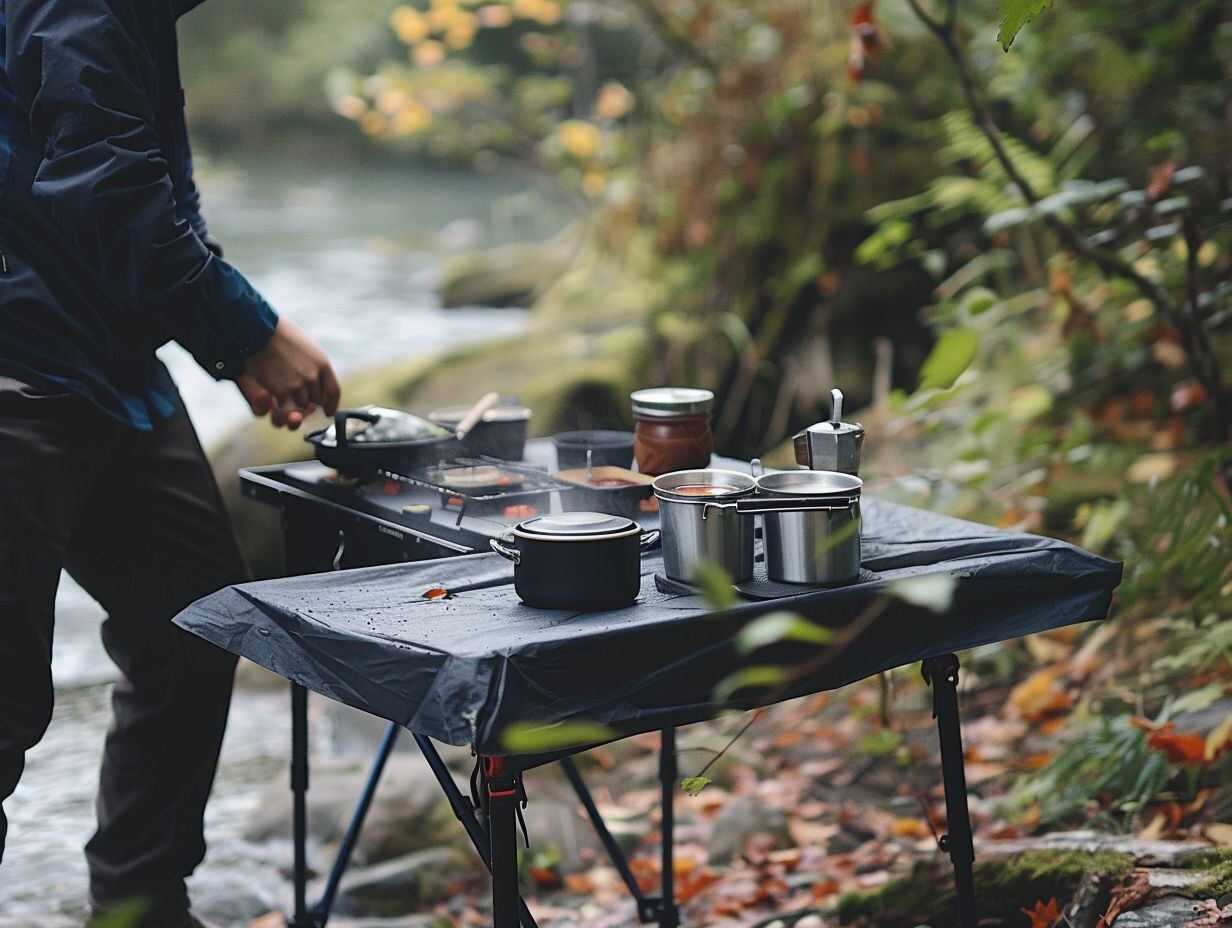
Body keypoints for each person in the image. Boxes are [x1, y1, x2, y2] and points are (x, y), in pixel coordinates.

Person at [0, 0, 341, 924]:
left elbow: (142, 175)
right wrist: (247, 331)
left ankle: (140, 902)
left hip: (105, 367)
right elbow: (103, 181)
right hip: (15, 375)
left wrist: (231, 343)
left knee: (193, 619)